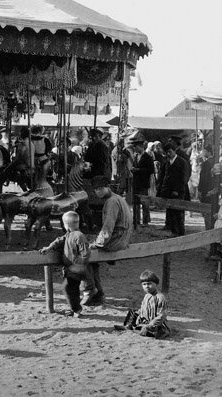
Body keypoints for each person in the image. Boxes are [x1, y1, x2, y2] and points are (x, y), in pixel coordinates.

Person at [83, 175, 133, 306]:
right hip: (123, 238)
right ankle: (98, 294)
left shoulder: (111, 202)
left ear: (108, 187)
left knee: (83, 253)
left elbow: (108, 227)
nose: (98, 192)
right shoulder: (118, 198)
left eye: (101, 188)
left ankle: (90, 289)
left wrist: (98, 243)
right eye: (96, 189)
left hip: (118, 240)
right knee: (92, 260)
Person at [39, 211, 90, 317]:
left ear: (66, 225)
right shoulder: (69, 234)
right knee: (73, 289)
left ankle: (76, 309)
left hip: (76, 269)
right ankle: (75, 309)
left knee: (67, 288)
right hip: (70, 268)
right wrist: (49, 247)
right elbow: (59, 240)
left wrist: (78, 265)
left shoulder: (79, 236)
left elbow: (85, 253)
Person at [115, 270, 170, 339]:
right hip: (146, 321)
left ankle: (140, 329)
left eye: (149, 284)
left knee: (146, 332)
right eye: (144, 284)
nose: (147, 286)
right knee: (133, 312)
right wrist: (139, 314)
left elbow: (161, 315)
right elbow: (143, 309)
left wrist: (150, 325)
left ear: (156, 283)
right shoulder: (147, 296)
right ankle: (128, 326)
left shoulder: (160, 297)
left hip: (155, 324)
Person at [157, 142, 191, 236]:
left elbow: (184, 178)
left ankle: (181, 232)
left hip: (179, 192)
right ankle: (174, 232)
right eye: (166, 152)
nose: (168, 154)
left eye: (170, 152)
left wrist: (177, 190)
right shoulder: (167, 162)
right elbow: (164, 177)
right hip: (168, 191)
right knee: (170, 212)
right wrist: (161, 190)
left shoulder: (182, 162)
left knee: (179, 212)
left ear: (174, 151)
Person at [129, 136, 154, 226]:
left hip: (143, 183)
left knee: (144, 202)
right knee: (135, 202)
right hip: (136, 183)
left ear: (141, 147)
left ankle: (145, 221)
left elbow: (151, 170)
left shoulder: (148, 157)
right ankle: (136, 220)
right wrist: (133, 169)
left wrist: (139, 170)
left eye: (136, 147)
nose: (135, 149)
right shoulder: (136, 156)